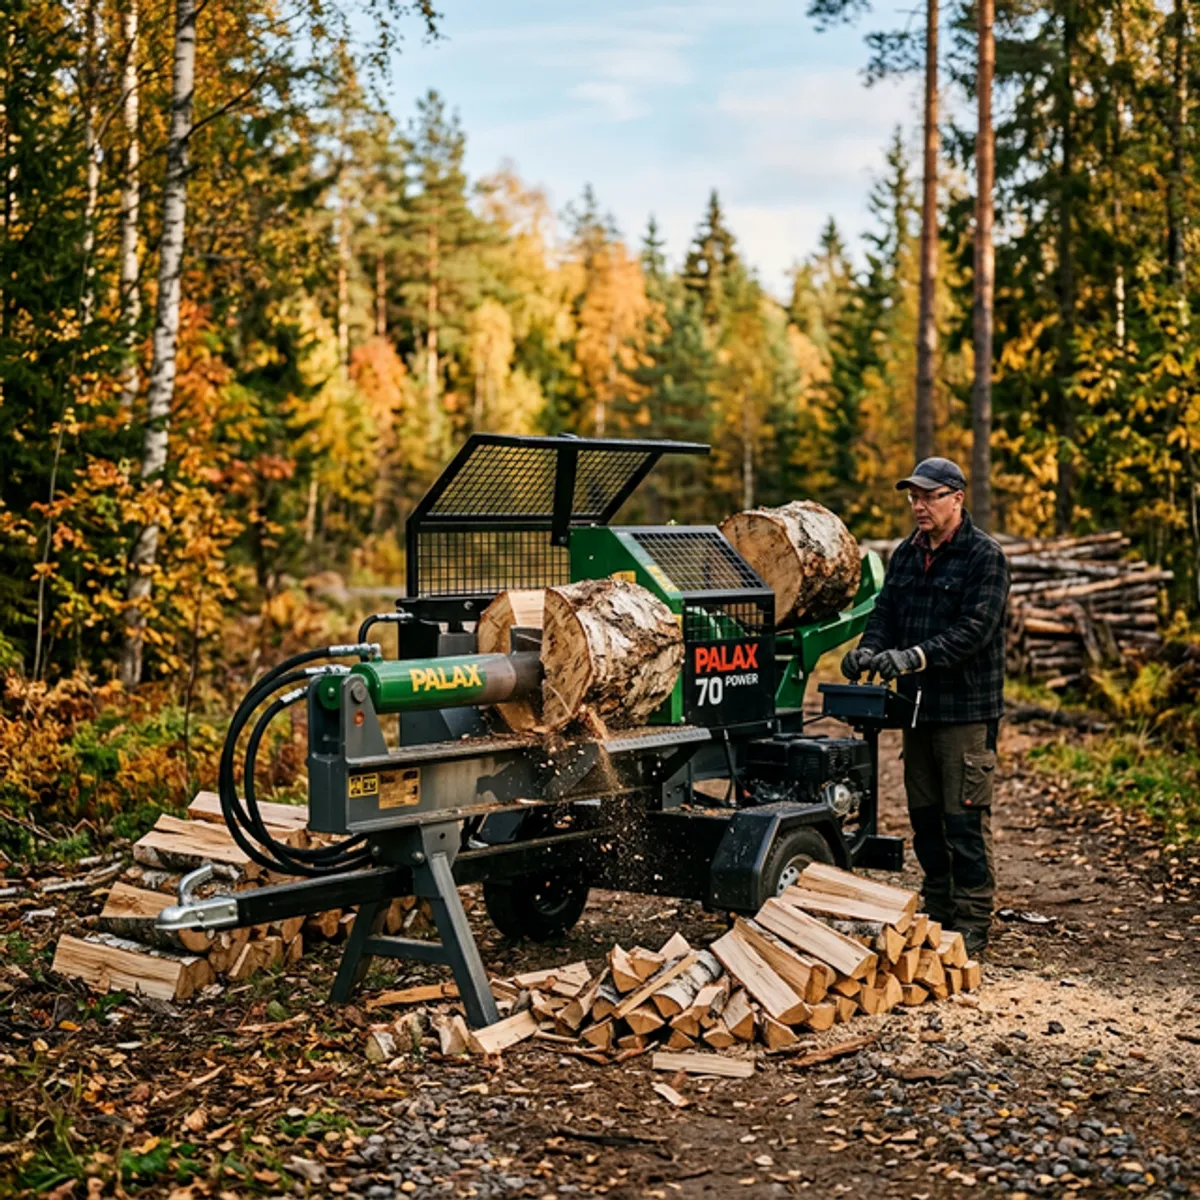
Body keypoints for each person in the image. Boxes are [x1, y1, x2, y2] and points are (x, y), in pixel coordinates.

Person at [841, 457, 1010, 956]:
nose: (918, 505)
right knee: (926, 818)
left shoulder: (985, 557)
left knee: (964, 818)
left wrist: (914, 656)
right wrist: (868, 651)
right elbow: (886, 613)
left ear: (956, 498)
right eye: (913, 496)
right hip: (916, 710)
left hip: (965, 711)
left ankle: (974, 919)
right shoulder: (906, 555)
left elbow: (974, 631)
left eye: (929, 496)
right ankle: (938, 910)